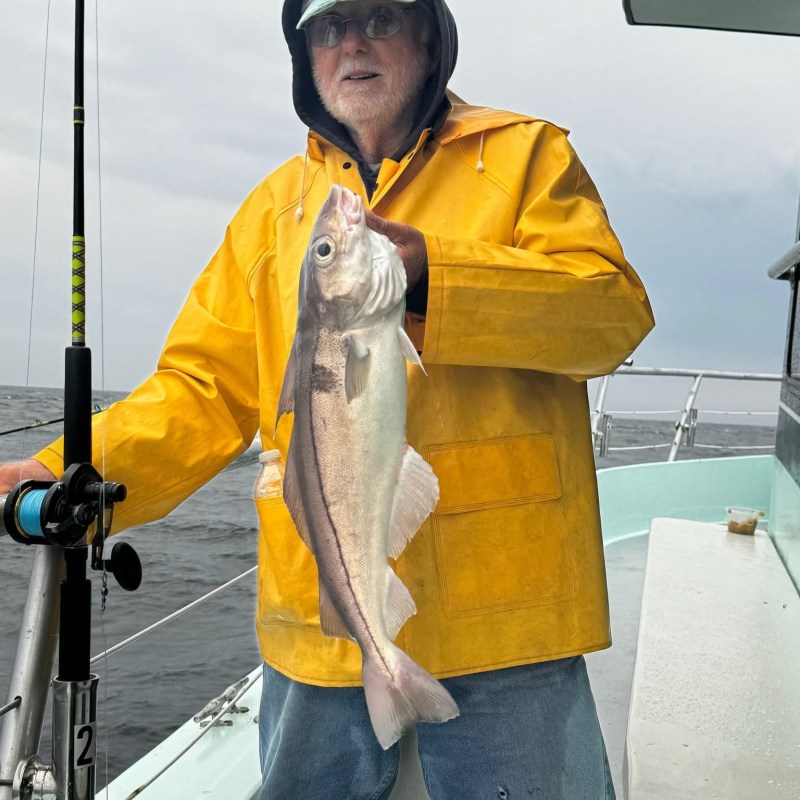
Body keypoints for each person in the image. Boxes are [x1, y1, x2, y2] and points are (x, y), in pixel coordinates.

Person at [0, 0, 655, 797]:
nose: (351, 44)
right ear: (304, 56)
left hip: (508, 617)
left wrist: (431, 273)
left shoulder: (526, 156)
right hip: (315, 625)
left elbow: (607, 314)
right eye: (327, 29)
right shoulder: (273, 210)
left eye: (377, 17)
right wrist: (66, 465)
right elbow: (202, 387)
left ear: (428, 35)